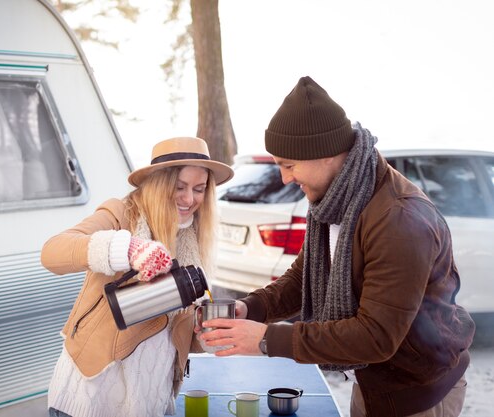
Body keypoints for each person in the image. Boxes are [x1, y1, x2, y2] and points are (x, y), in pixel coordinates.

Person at [199, 76, 475, 417]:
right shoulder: (337, 198)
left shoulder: (397, 219)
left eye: (289, 165)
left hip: (417, 391)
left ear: (325, 154)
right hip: (374, 378)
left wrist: (267, 339)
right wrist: (251, 309)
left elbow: (375, 336)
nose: (285, 178)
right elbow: (304, 277)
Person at [40, 136, 233, 417]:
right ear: (158, 183)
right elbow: (52, 252)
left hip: (151, 401)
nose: (189, 199)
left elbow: (173, 332)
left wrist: (205, 335)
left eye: (199, 189)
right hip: (90, 399)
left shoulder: (193, 239)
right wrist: (127, 248)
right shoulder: (121, 215)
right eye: (179, 187)